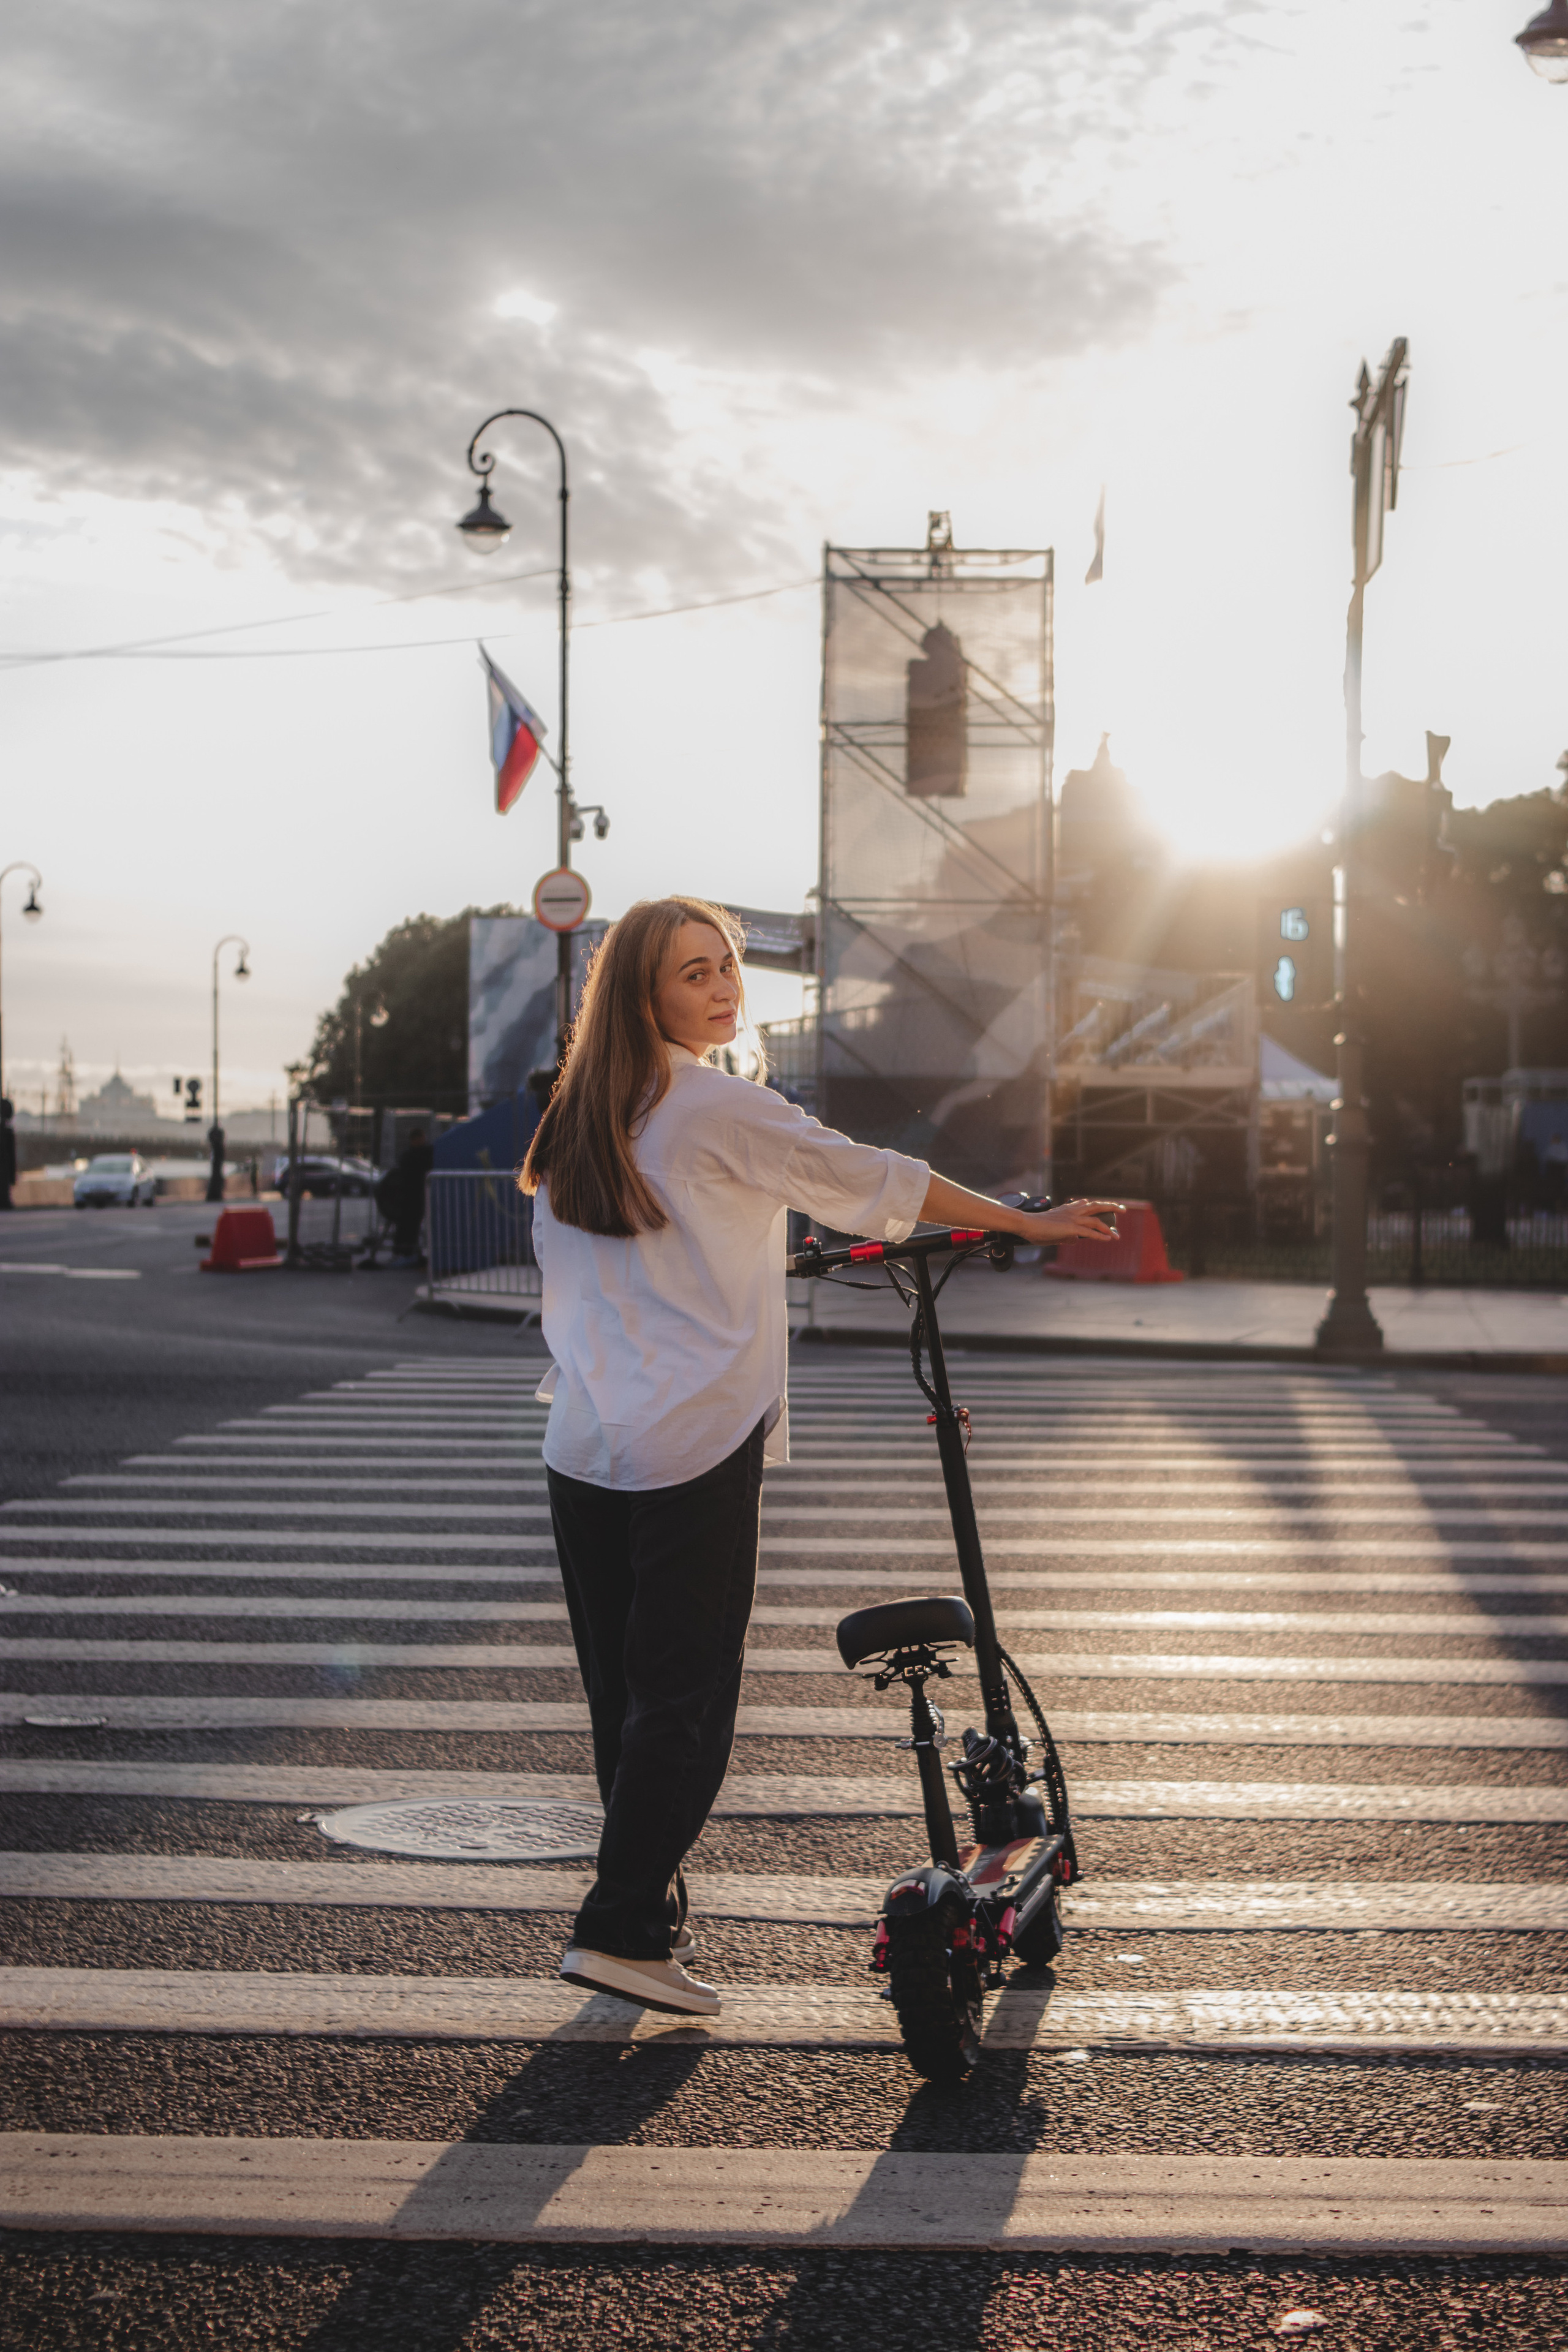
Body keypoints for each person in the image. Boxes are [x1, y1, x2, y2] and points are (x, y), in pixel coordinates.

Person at [520, 896, 1119, 2018]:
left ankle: (643, 1915)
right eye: (694, 973)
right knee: (686, 1700)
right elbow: (876, 1178)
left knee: (627, 1700)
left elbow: (638, 1255)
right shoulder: (714, 1103)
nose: (723, 988)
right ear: (643, 996)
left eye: (727, 965)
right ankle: (616, 1928)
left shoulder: (579, 1116)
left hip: (587, 1439)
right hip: (691, 1438)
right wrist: (1023, 1220)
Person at [375, 1125, 434, 1263]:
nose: (425, 1140)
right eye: (423, 1138)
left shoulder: (407, 1155)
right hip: (413, 1195)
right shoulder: (418, 1154)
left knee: (405, 1225)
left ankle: (402, 1252)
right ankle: (407, 1252)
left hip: (406, 1196)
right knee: (411, 1225)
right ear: (417, 1139)